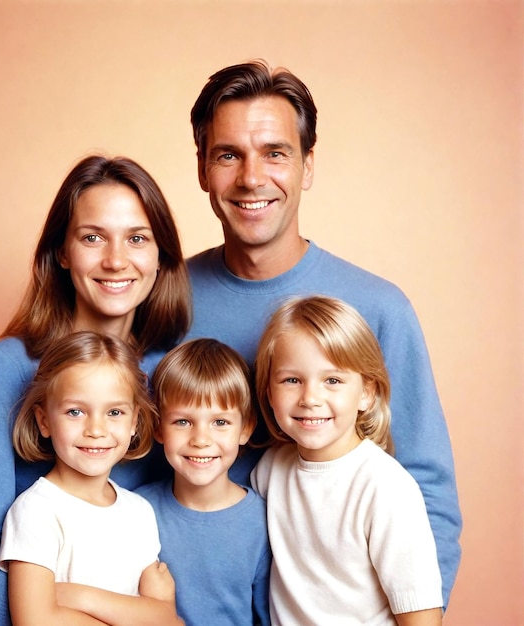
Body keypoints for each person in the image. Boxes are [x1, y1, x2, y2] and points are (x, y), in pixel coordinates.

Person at [145, 58, 461, 607]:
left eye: (275, 153)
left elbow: (426, 491)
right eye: (227, 155)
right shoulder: (161, 300)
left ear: (307, 166)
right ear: (202, 168)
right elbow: (125, 461)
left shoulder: (378, 308)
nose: (250, 177)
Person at [0, 154, 190, 625]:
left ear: (162, 257)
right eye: (92, 237)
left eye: (137, 239)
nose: (116, 260)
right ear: (62, 251)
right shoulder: (8, 368)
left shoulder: (171, 376)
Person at [251, 295, 443, 626]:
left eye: (333, 381)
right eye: (292, 380)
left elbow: (422, 616)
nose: (310, 398)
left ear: (367, 393)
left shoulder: (385, 487)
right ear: (269, 392)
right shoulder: (271, 469)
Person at [0, 331, 183, 625]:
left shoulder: (139, 511)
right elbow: (35, 620)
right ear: (44, 420)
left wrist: (78, 596)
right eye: (75, 412)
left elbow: (166, 618)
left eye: (114, 412)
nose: (96, 429)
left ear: (134, 420)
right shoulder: (37, 511)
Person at [136, 338, 271, 626]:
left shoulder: (265, 521)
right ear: (159, 427)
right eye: (183, 422)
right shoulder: (135, 511)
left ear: (245, 429)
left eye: (220, 422)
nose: (200, 440)